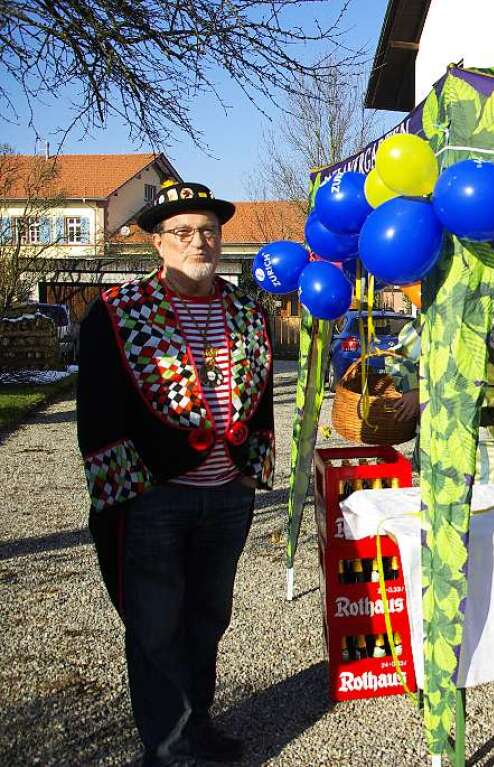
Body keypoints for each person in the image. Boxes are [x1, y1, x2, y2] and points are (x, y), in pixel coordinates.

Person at [76, 181, 275, 767]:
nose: (199, 242)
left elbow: (260, 400)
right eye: (183, 233)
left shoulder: (248, 310)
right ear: (158, 243)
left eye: (208, 231)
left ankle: (197, 725)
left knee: (208, 617)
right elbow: (99, 414)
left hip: (227, 494)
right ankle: (168, 749)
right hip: (156, 498)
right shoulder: (119, 312)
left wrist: (248, 475)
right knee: (157, 626)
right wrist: (130, 494)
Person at [387, 253, 494, 483]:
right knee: (440, 513)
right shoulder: (430, 322)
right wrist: (414, 390)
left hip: (488, 439)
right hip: (439, 436)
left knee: (491, 512)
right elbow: (398, 357)